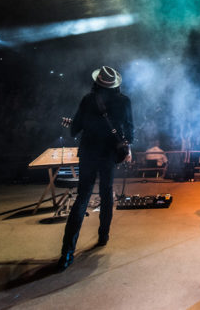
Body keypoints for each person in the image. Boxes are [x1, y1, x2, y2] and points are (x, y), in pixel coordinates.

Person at [57, 66, 134, 271]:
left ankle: (66, 253)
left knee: (82, 198)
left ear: (97, 82)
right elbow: (130, 130)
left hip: (89, 153)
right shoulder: (124, 101)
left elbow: (75, 129)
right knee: (107, 193)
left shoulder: (88, 99)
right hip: (109, 154)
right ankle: (103, 235)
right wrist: (127, 147)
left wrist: (82, 124)